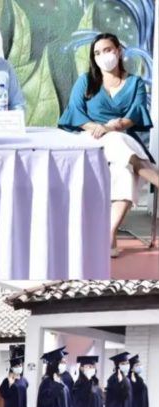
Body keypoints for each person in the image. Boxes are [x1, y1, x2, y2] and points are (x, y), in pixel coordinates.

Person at [58, 33, 158, 257]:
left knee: (123, 167)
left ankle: (109, 234)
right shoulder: (85, 81)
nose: (102, 56)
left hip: (122, 136)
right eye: (97, 53)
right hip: (90, 138)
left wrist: (114, 127)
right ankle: (155, 177)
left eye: (107, 50)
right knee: (116, 143)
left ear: (118, 51)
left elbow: (135, 114)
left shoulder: (135, 82)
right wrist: (98, 127)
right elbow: (75, 112)